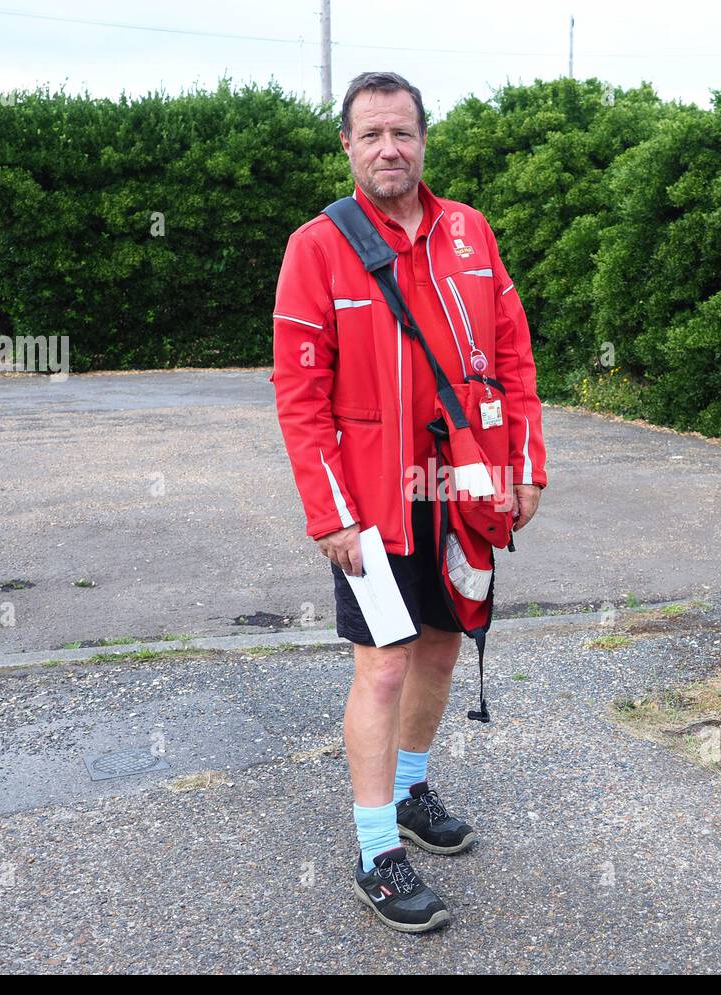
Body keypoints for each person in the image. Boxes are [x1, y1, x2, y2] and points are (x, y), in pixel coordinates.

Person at [270, 71, 548, 933]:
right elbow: (298, 395)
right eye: (370, 136)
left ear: (424, 140)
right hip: (372, 508)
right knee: (384, 662)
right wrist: (331, 515)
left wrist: (527, 466)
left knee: (441, 647)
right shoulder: (316, 247)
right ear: (347, 148)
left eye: (403, 133)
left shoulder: (470, 231)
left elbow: (514, 357)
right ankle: (375, 848)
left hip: (462, 492)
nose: (389, 149)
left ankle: (415, 787)